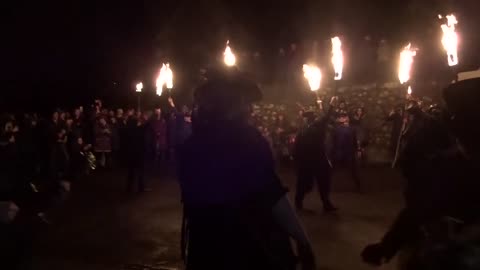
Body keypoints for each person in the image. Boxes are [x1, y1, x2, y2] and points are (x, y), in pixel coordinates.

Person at [179, 69, 315, 270]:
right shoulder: (248, 141)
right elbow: (271, 196)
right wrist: (303, 241)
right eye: (245, 102)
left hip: (203, 252)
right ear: (231, 104)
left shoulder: (189, 146)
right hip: (246, 250)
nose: (250, 109)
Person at [362, 78, 480, 268]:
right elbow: (416, 210)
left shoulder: (450, 167)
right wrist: (387, 246)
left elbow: (418, 210)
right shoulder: (447, 165)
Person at [294, 98, 337, 213]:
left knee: (323, 182)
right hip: (310, 160)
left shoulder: (310, 127)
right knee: (305, 183)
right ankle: (298, 203)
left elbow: (325, 118)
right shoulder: (307, 129)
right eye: (310, 117)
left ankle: (326, 204)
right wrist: (331, 105)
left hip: (316, 159)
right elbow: (326, 118)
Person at [331, 113, 361, 191]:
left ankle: (358, 186)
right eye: (342, 117)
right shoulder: (337, 129)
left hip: (348, 152)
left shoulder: (352, 129)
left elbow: (354, 141)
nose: (344, 119)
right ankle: (327, 186)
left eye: (345, 117)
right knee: (333, 170)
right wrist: (333, 152)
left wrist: (358, 150)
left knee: (353, 170)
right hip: (340, 152)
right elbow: (334, 141)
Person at [123, 116, 147, 193]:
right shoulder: (139, 130)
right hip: (139, 154)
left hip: (131, 154)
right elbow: (144, 138)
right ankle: (141, 187)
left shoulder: (128, 131)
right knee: (140, 171)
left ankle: (129, 187)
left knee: (131, 171)